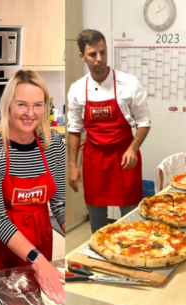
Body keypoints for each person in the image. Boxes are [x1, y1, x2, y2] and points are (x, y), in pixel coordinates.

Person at [0, 70, 65, 305]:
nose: (30, 113)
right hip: (2, 247)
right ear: (8, 105)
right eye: (22, 105)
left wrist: (78, 240)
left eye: (38, 105)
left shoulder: (53, 145)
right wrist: (38, 261)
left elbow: (60, 204)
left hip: (41, 239)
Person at [67, 29, 151, 233]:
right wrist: (72, 165)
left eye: (102, 52)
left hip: (125, 157)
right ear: (82, 56)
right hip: (94, 159)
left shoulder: (129, 84)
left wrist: (133, 148)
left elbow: (144, 121)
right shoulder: (77, 89)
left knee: (132, 221)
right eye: (93, 54)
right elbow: (74, 129)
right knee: (97, 223)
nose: (99, 59)